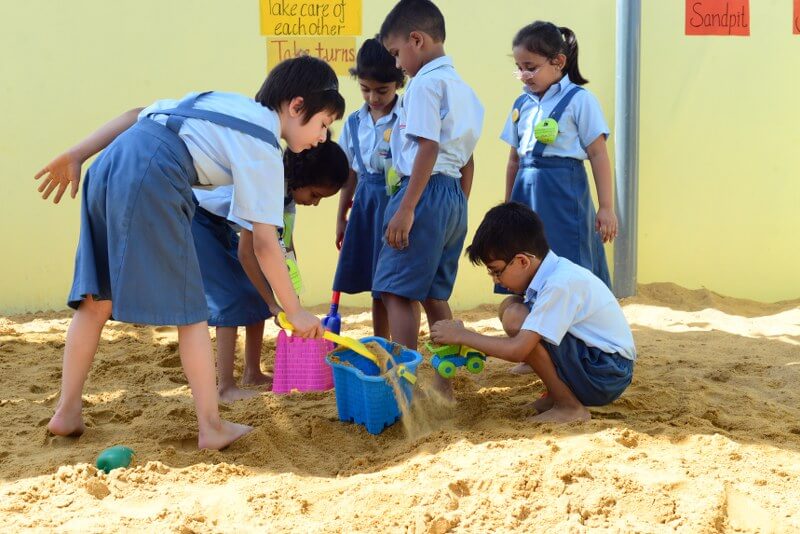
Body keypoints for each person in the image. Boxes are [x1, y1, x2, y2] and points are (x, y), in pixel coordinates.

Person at [34, 56, 345, 449]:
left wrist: (79, 153)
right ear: (296, 106)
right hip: (157, 173)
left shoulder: (225, 103)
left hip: (109, 162)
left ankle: (67, 411)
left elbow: (137, 114)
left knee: (96, 301)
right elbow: (266, 245)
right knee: (192, 310)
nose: (322, 137)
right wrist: (294, 309)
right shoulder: (264, 146)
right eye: (323, 124)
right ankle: (211, 426)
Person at [430, 202, 636, 423]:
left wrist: (464, 336)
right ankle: (556, 394)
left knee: (517, 320)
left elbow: (518, 350)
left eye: (497, 272)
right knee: (511, 306)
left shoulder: (559, 284)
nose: (496, 280)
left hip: (606, 373)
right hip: (601, 362)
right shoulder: (551, 272)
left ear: (522, 261)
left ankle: (569, 406)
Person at [375, 0, 484, 389]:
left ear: (416, 40)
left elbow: (427, 149)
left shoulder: (424, 84)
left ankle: (402, 382)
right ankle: (444, 386)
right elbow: (468, 161)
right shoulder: (465, 90)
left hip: (422, 192)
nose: (397, 64)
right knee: (435, 295)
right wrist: (456, 207)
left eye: (395, 53)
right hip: (452, 194)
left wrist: (408, 208)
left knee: (395, 290)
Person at [192, 138, 349, 402]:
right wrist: (274, 304)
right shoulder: (269, 187)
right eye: (315, 195)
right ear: (300, 178)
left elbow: (284, 248)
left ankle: (252, 372)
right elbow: (247, 252)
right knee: (230, 297)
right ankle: (225, 387)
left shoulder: (288, 196)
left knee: (256, 293)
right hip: (201, 219)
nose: (315, 203)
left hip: (227, 225)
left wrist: (292, 300)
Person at [501, 21, 617, 374]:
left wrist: (608, 207)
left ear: (559, 62)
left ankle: (571, 352)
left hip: (565, 192)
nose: (524, 75)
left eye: (531, 67)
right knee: (526, 267)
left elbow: (598, 154)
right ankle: (534, 348)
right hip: (527, 192)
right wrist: (507, 208)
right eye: (519, 67)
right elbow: (512, 160)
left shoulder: (580, 100)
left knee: (568, 265)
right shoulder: (521, 103)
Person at [333, 37, 405, 338]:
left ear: (398, 83)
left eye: (382, 90)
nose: (373, 97)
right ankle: (380, 341)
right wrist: (341, 216)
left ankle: (403, 340)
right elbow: (349, 173)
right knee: (376, 282)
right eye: (365, 89)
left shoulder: (407, 117)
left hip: (397, 202)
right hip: (365, 204)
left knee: (394, 279)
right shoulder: (353, 123)